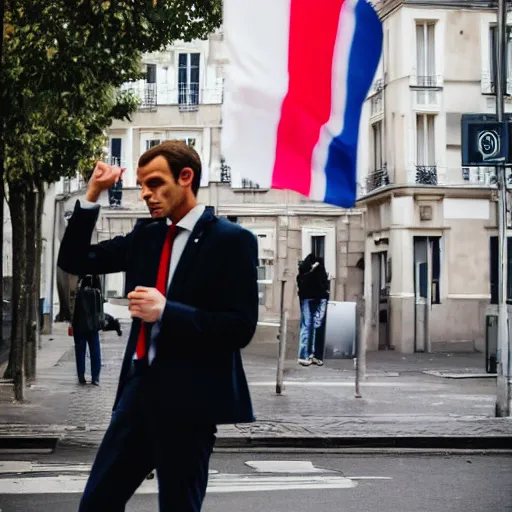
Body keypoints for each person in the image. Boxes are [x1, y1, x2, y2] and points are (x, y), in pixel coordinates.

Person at [57, 140, 259, 511]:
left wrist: (168, 311)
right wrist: (93, 193)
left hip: (190, 403)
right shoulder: (147, 236)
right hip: (138, 394)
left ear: (186, 177)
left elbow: (240, 327)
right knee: (96, 504)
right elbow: (75, 259)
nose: (145, 194)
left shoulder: (232, 241)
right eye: (142, 185)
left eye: (154, 183)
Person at [296, 253, 330, 366]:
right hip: (320, 297)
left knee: (306, 326)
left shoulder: (304, 271)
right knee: (318, 326)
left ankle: (304, 355)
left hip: (307, 297)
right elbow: (325, 282)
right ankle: (316, 355)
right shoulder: (320, 269)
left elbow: (300, 283)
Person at [71, 274, 103, 386]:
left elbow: (71, 301)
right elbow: (100, 301)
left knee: (80, 350)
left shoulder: (76, 276)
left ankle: (81, 376)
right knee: (94, 349)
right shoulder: (95, 277)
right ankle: (95, 377)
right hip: (92, 322)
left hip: (79, 321)